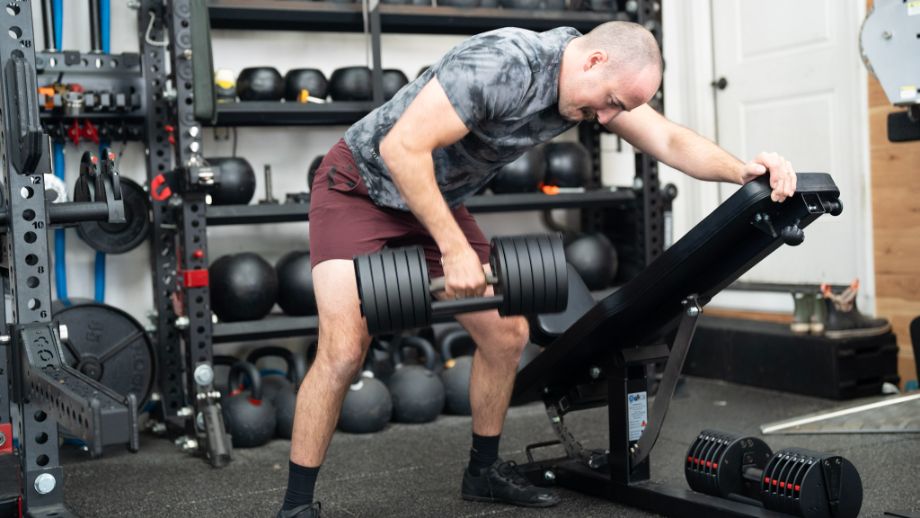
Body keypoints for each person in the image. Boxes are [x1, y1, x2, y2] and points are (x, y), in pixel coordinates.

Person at [276, 20, 797, 518]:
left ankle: (482, 472)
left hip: (434, 197)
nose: (611, 119)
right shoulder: (505, 65)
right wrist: (455, 249)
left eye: (622, 109)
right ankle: (296, 504)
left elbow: (668, 140)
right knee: (344, 350)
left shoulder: (590, 92)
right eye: (613, 102)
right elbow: (401, 148)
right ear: (594, 60)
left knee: (505, 336)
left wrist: (743, 172)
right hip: (358, 187)